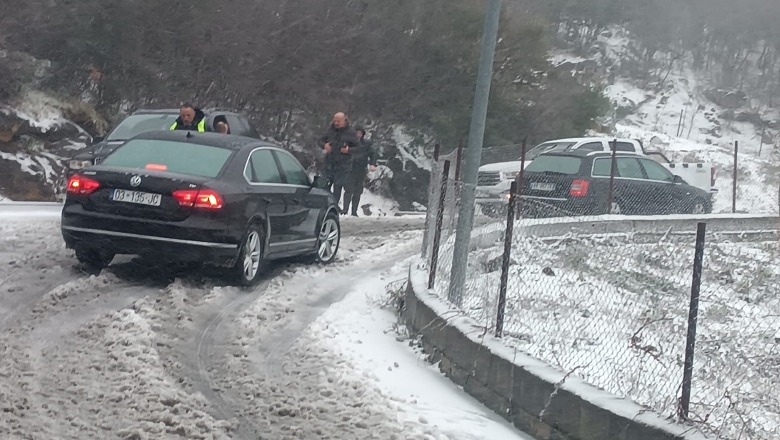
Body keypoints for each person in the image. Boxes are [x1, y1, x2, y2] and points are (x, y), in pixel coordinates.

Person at [319, 112, 359, 213]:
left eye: (338, 121)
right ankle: (325, 206)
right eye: (334, 120)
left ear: (344, 121)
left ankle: (333, 207)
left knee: (337, 187)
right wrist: (325, 146)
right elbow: (319, 140)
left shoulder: (350, 132)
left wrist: (348, 150)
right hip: (329, 163)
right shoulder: (330, 130)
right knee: (325, 185)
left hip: (343, 165)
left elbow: (358, 148)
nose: (336, 123)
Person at [342, 126, 377, 216]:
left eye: (360, 133)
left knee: (358, 192)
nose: (358, 135)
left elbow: (373, 154)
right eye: (357, 133)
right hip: (349, 169)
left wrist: (373, 164)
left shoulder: (366, 144)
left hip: (361, 169)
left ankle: (354, 211)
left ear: (363, 134)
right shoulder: (348, 143)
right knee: (348, 191)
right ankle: (345, 210)